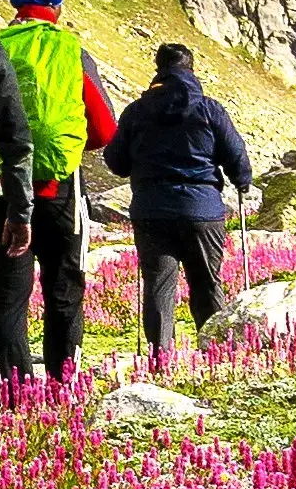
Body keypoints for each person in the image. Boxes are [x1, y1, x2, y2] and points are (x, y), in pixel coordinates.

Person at [0, 0, 119, 382]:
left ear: (14, 0)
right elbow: (106, 128)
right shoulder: (72, 49)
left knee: (8, 294)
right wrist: (71, 148)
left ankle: (15, 394)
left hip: (3, 189)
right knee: (64, 289)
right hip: (62, 189)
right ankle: (63, 385)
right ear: (55, 3)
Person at [104, 37, 258, 367]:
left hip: (151, 210)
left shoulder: (136, 111)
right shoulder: (210, 108)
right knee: (206, 282)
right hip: (202, 209)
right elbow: (235, 154)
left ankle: (161, 359)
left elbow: (115, 162)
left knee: (159, 286)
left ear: (158, 70)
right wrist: (242, 180)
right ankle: (217, 358)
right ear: (191, 69)